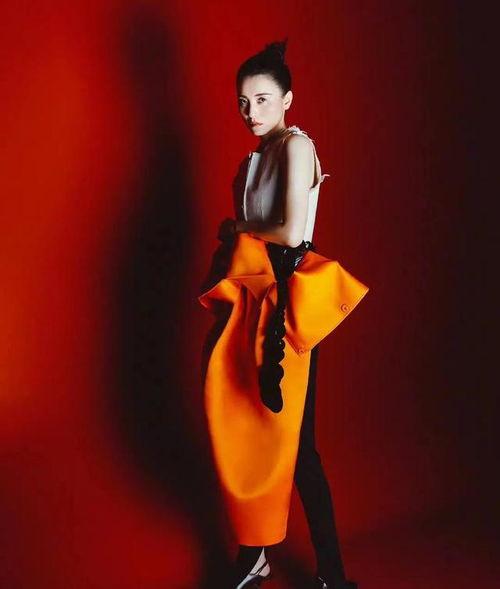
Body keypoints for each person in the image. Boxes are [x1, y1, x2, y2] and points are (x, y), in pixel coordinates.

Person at [198, 39, 369, 589]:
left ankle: (332, 574)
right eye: (243, 102)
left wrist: (238, 229)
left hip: (289, 301)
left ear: (288, 99)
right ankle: (255, 556)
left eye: (263, 99)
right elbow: (251, 239)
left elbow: (292, 233)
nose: (251, 112)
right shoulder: (249, 163)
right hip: (255, 299)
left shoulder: (297, 146)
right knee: (252, 429)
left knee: (297, 444)